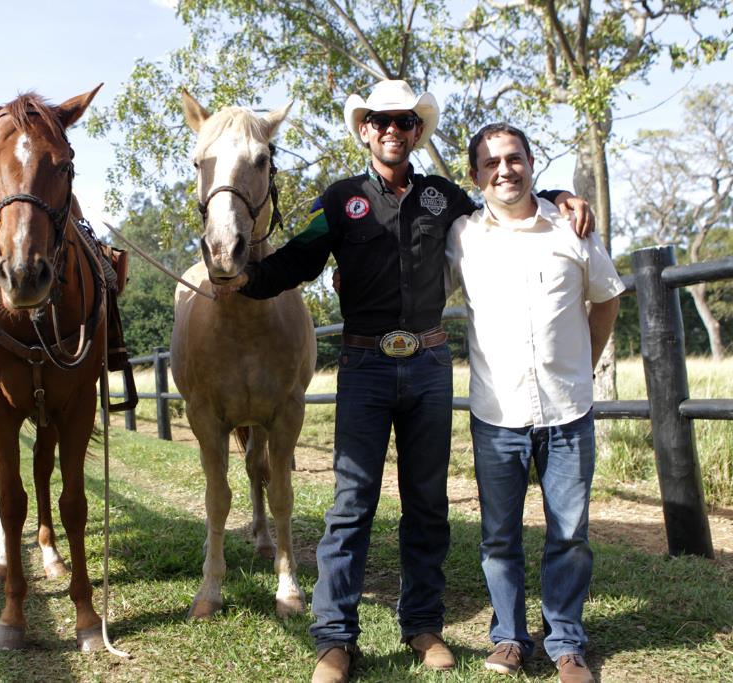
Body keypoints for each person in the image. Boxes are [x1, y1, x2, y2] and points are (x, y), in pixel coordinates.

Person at [213, 80, 592, 683]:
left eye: (405, 121)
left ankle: (423, 626)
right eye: (380, 120)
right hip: (363, 368)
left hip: (430, 366)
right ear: (364, 129)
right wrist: (239, 276)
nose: (393, 129)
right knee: (350, 504)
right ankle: (335, 640)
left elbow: (504, 211)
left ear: (417, 132)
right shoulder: (336, 202)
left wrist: (555, 195)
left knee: (427, 503)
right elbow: (294, 262)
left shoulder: (445, 197)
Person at [445, 123, 623, 683]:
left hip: (568, 410)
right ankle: (508, 637)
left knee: (569, 533)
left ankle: (566, 642)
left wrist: (582, 366)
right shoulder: (463, 237)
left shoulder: (571, 227)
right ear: (475, 176)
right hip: (496, 415)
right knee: (500, 537)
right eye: (491, 162)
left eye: (514, 158)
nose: (504, 169)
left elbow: (607, 300)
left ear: (530, 163)